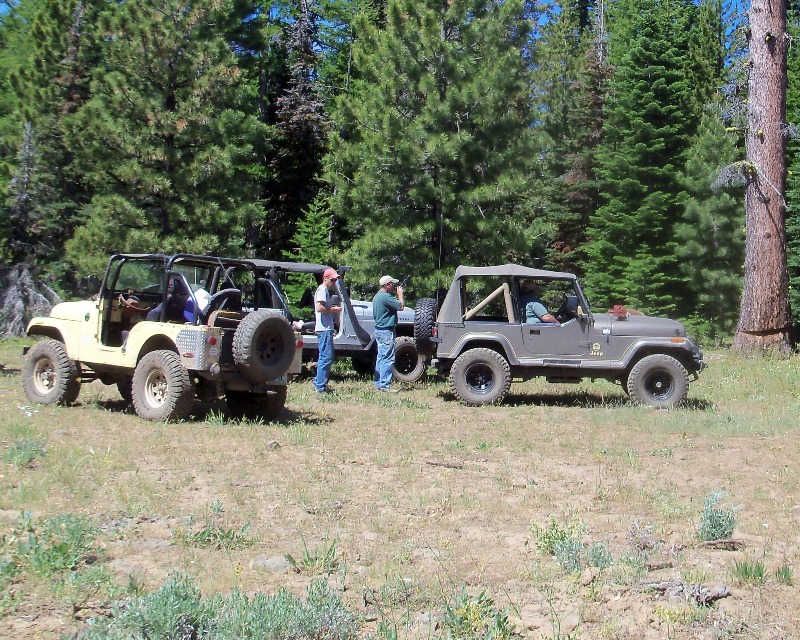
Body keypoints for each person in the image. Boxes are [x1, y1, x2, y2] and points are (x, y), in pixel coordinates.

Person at [372, 275, 404, 392]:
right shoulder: (386, 297)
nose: (394, 286)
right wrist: (400, 295)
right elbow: (401, 307)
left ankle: (379, 382)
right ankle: (385, 384)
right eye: (392, 284)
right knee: (388, 358)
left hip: (379, 330)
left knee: (381, 357)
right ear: (386, 285)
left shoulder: (377, 297)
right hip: (386, 331)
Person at [313, 267, 342, 393]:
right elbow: (319, 308)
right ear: (325, 279)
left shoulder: (324, 290)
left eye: (335, 280)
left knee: (326, 356)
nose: (334, 282)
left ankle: (320, 382)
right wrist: (334, 310)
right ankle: (320, 385)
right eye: (332, 279)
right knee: (325, 356)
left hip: (326, 328)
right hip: (323, 329)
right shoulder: (322, 290)